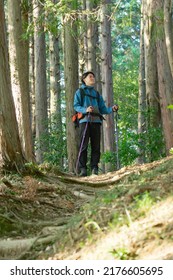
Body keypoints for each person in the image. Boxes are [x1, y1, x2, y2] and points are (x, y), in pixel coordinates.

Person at [74, 71, 118, 176]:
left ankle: (94, 169)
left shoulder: (97, 94)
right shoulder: (79, 92)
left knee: (96, 147)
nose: (92, 78)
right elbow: (76, 106)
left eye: (93, 76)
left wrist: (112, 109)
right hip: (85, 121)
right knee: (83, 146)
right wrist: (85, 109)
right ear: (84, 79)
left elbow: (103, 109)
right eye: (90, 76)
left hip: (96, 122)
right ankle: (83, 169)